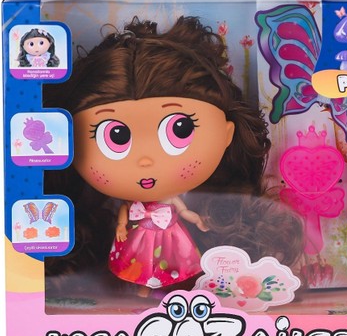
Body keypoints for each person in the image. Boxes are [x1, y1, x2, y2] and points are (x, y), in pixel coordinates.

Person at [44, 16, 303, 290]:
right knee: (137, 269)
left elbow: (184, 212)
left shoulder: (185, 201)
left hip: (171, 240)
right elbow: (124, 216)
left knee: (179, 266)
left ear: (227, 134)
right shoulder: (114, 209)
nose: (145, 160)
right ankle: (142, 290)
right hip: (136, 243)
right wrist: (120, 228)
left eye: (180, 129)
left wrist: (198, 220)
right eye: (115, 137)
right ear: (66, 143)